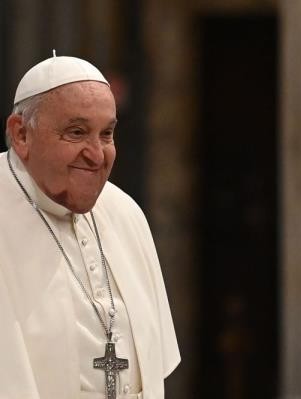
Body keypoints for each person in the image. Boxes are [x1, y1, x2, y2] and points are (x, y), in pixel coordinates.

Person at [0, 53, 180, 398]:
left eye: (107, 134)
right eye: (77, 132)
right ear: (21, 135)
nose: (97, 155)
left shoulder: (124, 212)